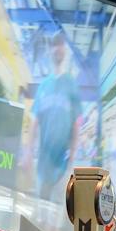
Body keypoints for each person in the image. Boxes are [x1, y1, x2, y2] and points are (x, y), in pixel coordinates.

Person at [30, 31, 83, 198]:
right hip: (43, 164)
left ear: (65, 49)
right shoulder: (43, 86)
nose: (57, 48)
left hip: (62, 165)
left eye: (60, 44)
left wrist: (72, 161)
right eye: (54, 45)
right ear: (49, 50)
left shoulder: (71, 85)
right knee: (39, 210)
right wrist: (28, 152)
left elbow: (76, 125)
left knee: (54, 214)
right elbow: (35, 122)